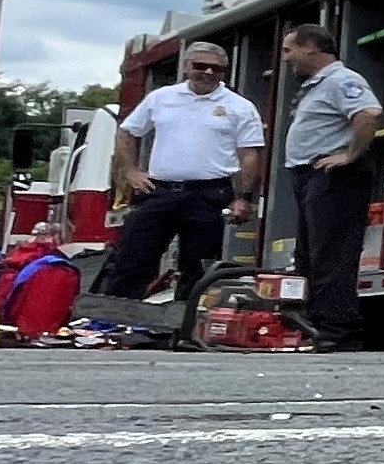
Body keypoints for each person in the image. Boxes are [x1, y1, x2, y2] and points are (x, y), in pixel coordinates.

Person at [99, 41, 269, 308]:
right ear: (187, 68)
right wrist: (131, 171)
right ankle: (115, 317)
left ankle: (184, 323)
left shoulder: (240, 106)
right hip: (159, 190)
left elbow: (250, 155)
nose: (208, 73)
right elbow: (127, 131)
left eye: (217, 69)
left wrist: (243, 197)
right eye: (201, 66)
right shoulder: (161, 98)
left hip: (210, 193)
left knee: (198, 268)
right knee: (132, 258)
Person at [274, 25, 384, 351]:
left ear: (311, 47)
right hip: (312, 177)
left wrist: (350, 155)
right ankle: (318, 327)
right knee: (311, 257)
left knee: (332, 257)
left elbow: (368, 114)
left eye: (289, 50)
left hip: (336, 179)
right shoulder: (317, 85)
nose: (285, 58)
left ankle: (338, 331)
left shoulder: (342, 80)